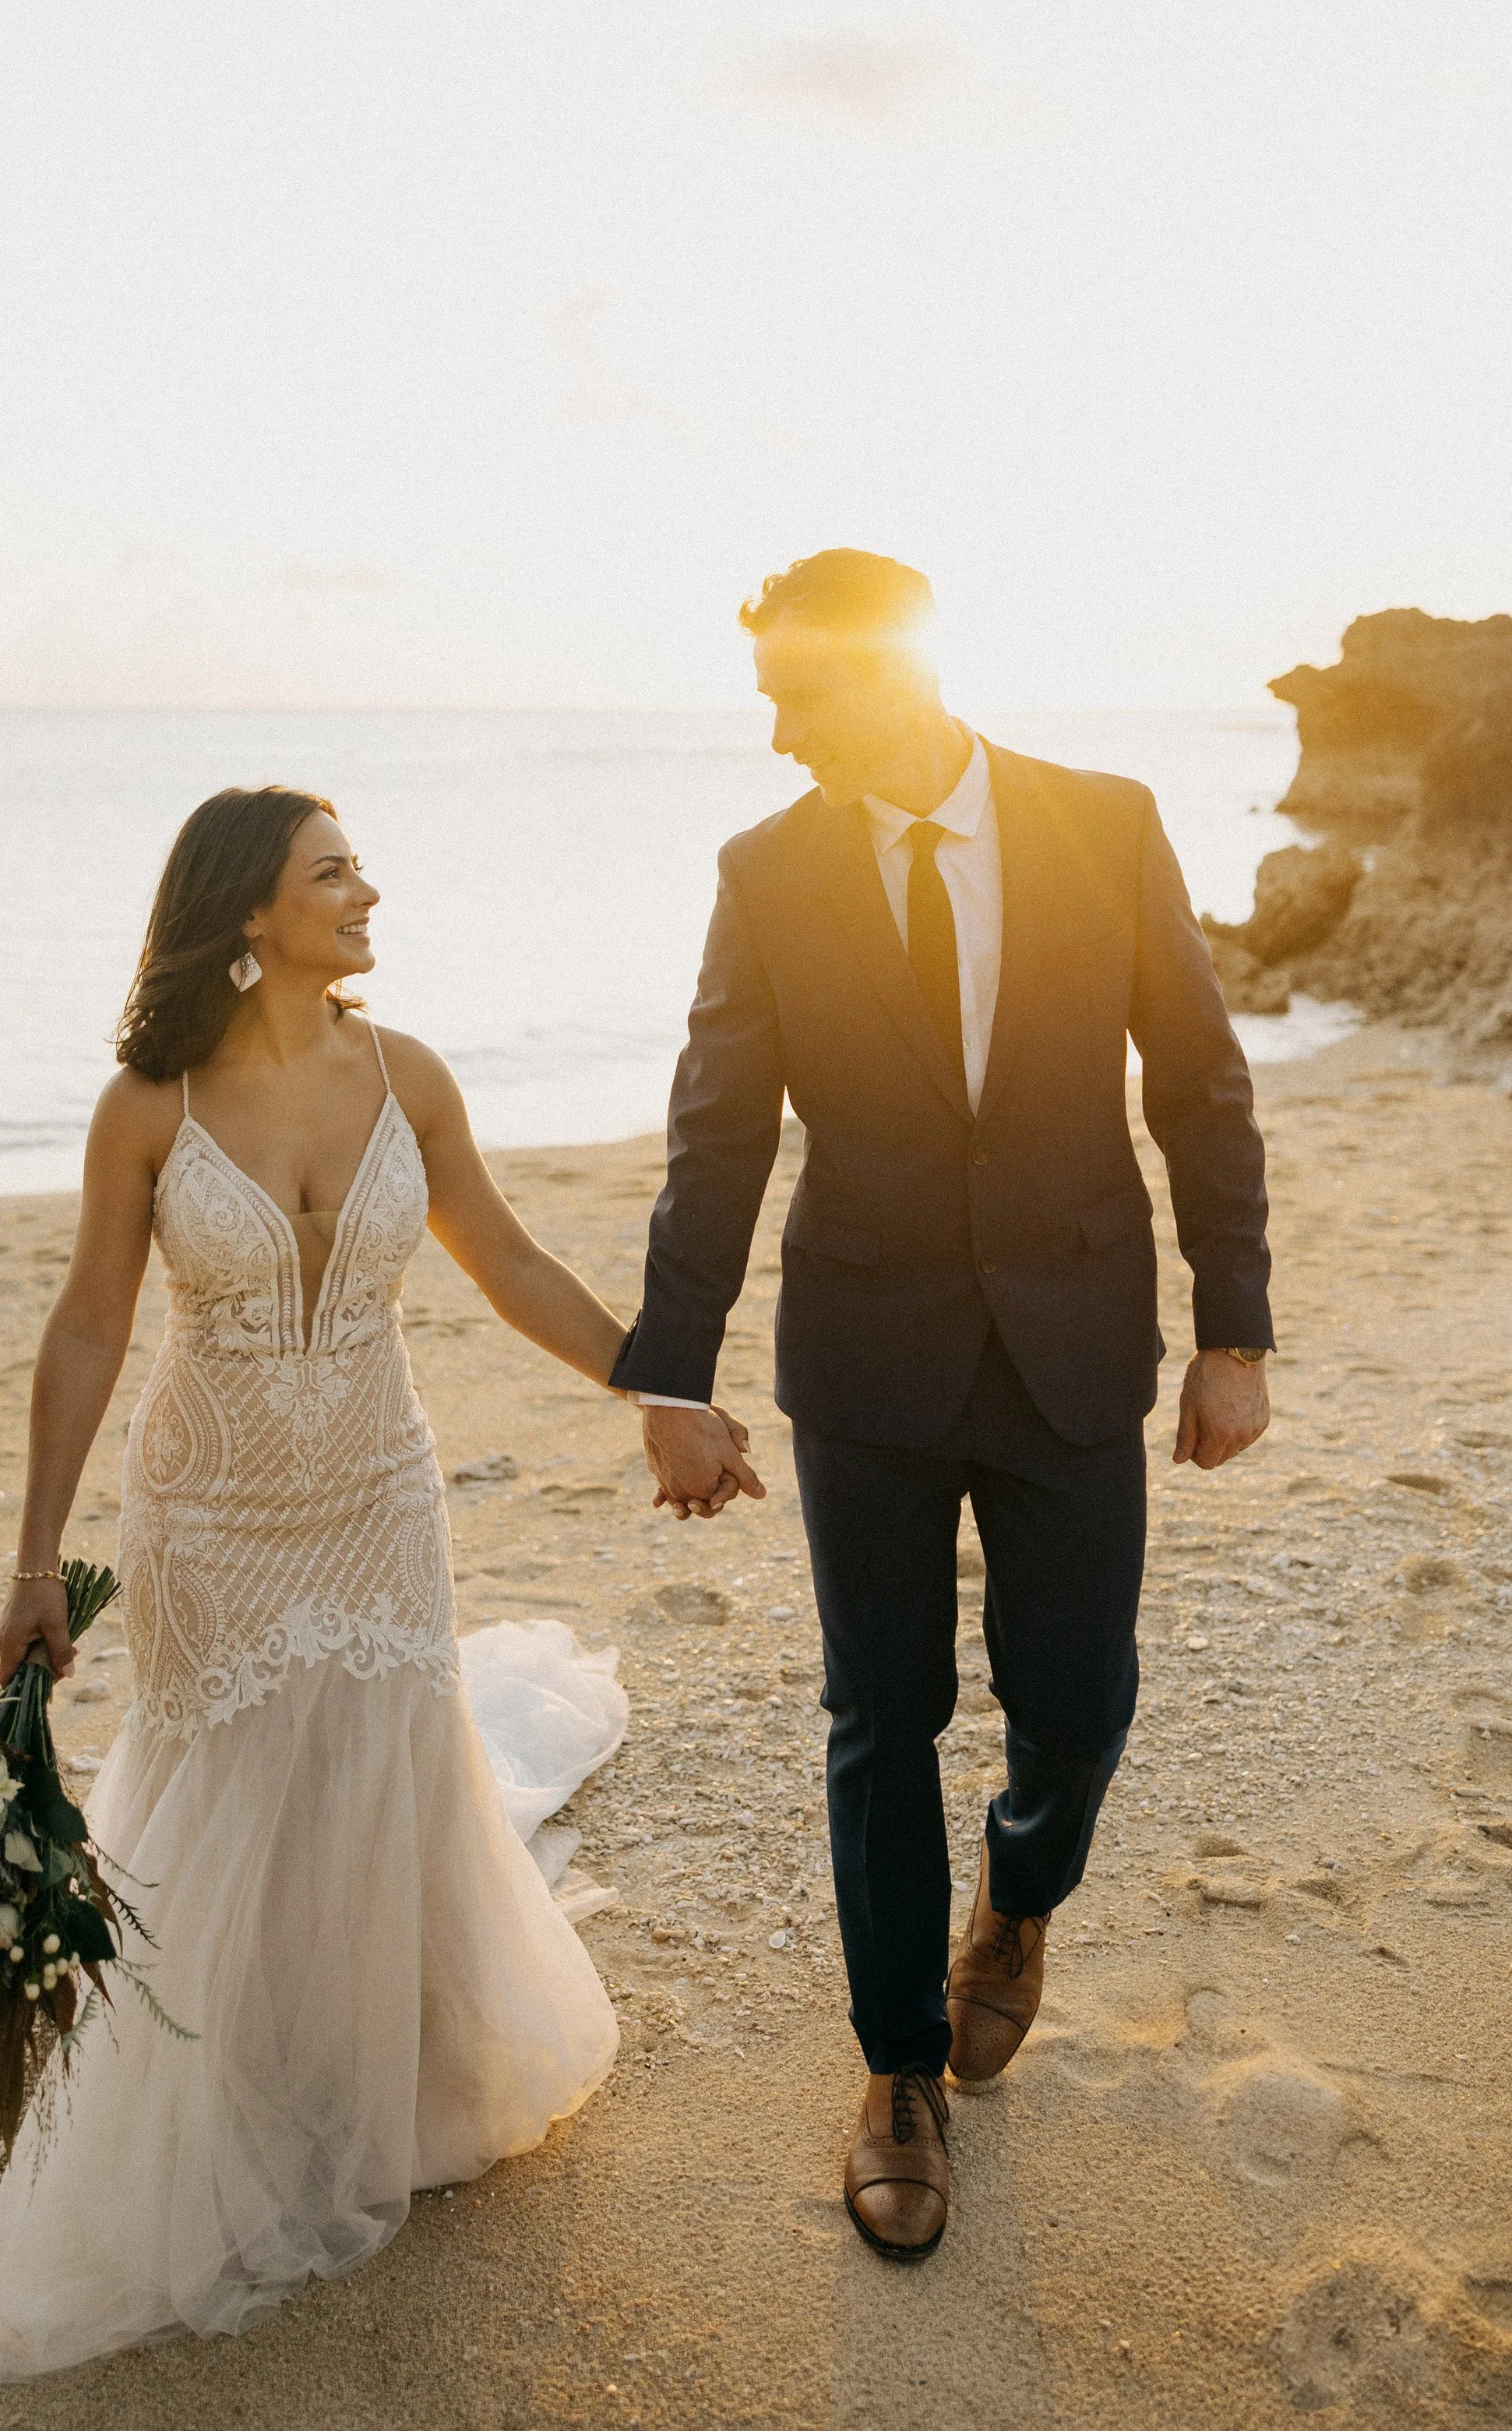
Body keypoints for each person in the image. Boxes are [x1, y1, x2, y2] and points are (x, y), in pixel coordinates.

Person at [0, 784, 702, 2374]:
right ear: (250, 913)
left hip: (376, 1494)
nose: (366, 892)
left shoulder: (405, 1074)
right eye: (332, 871)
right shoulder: (147, 1107)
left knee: (378, 1769)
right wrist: (36, 1555)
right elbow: (90, 1323)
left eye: (357, 866)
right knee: (228, 1785)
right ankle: (218, 2094)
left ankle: (380, 2074)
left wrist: (653, 1388)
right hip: (210, 1511)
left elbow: (501, 1258)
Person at [609, 549, 1273, 2260]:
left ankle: (1018, 1899)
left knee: (1074, 1698)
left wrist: (1231, 1334)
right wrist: (668, 1380)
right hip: (867, 1359)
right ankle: (895, 2069)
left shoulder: (1100, 822)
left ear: (890, 670)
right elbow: (718, 1137)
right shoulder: (764, 872)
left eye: (793, 694)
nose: (770, 735)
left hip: (1071, 1338)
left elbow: (1195, 1080)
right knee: (875, 1712)